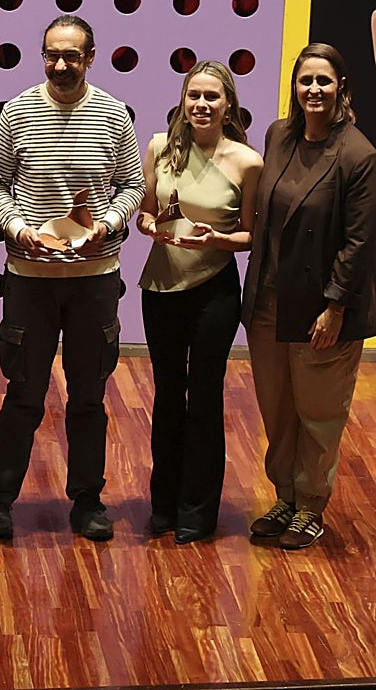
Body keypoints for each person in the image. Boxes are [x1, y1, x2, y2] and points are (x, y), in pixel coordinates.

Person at [0, 14, 144, 542]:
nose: (61, 63)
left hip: (95, 277)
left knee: (89, 396)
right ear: (42, 54)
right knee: (23, 393)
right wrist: (19, 228)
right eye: (52, 53)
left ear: (91, 57)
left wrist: (108, 225)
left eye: (72, 55)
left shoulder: (115, 116)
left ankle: (88, 501)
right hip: (29, 276)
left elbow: (132, 186)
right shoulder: (17, 112)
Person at [242, 43, 376, 550]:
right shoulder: (279, 136)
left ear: (341, 86)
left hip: (324, 310)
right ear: (294, 88)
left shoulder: (359, 155)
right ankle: (284, 497)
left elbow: (360, 241)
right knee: (277, 411)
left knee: (319, 415)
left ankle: (310, 506)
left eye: (324, 81)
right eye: (305, 81)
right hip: (268, 302)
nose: (313, 90)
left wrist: (335, 306)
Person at [135, 61, 262, 545]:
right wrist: (150, 227)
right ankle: (163, 503)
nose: (202, 105)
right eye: (194, 96)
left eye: (212, 96)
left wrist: (220, 239)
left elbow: (251, 235)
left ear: (228, 105)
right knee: (167, 394)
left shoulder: (246, 161)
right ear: (183, 102)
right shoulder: (159, 148)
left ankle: (198, 510)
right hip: (162, 287)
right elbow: (146, 213)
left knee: (204, 396)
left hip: (215, 290)